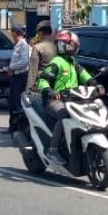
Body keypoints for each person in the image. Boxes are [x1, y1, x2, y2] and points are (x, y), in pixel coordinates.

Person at [36, 30, 93, 159]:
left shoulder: (72, 61)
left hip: (73, 99)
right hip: (55, 101)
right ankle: (53, 149)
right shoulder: (56, 62)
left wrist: (94, 83)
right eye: (73, 44)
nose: (75, 47)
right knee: (65, 115)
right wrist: (49, 91)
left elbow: (84, 74)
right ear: (64, 45)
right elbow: (43, 80)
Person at [4, 23, 31, 132]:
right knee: (12, 101)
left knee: (16, 102)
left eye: (13, 33)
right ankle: (13, 126)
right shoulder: (18, 45)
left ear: (15, 33)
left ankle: (17, 127)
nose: (12, 35)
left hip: (21, 76)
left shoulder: (23, 45)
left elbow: (24, 61)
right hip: (16, 76)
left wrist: (11, 67)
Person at [28, 21, 56, 91]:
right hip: (58, 82)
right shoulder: (58, 46)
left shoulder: (38, 48)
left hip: (43, 82)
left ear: (40, 33)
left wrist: (29, 89)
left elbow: (33, 71)